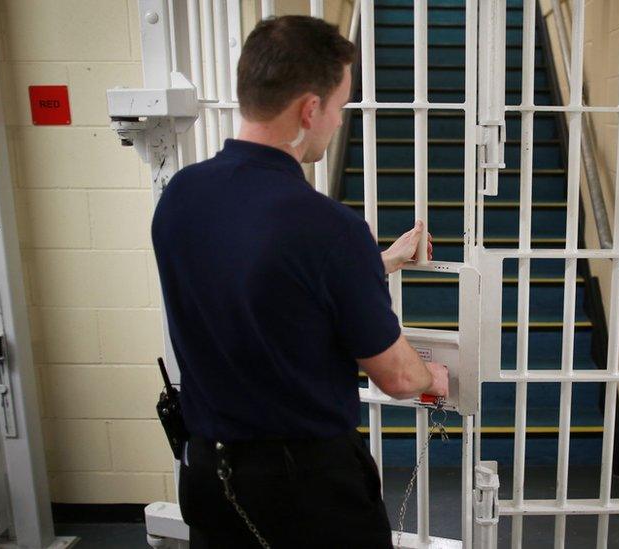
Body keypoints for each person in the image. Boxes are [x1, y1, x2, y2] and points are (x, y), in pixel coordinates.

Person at [151, 14, 448, 548]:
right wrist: (435, 378)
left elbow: (254, 282)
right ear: (310, 109)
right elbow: (398, 379)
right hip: (307, 492)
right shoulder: (328, 227)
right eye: (339, 107)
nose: (338, 121)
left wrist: (376, 264)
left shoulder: (180, 198)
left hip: (211, 478)